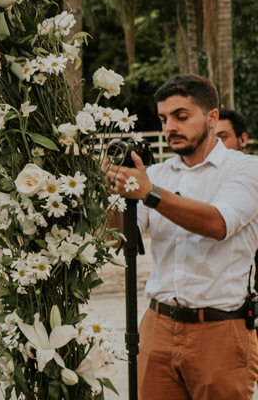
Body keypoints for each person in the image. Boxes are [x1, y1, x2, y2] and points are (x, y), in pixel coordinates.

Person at [107, 74, 258, 400]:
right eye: (163, 118)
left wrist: (149, 192)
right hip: (157, 325)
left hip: (220, 328)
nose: (170, 126)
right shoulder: (157, 174)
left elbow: (218, 223)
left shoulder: (245, 169)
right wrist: (115, 191)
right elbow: (118, 240)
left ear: (212, 117)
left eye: (181, 116)